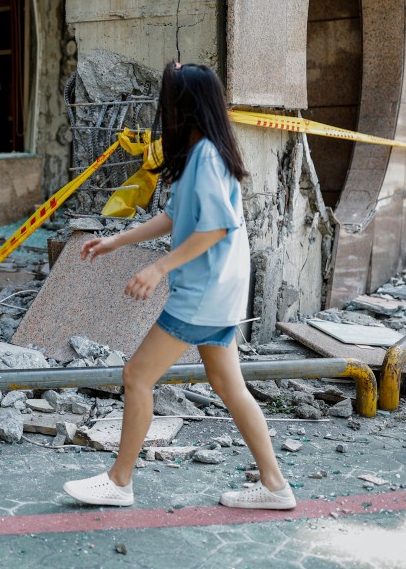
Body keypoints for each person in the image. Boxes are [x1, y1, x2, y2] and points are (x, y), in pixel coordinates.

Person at [62, 62, 296, 511]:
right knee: (229, 387)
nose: (161, 106)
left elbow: (214, 229)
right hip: (218, 293)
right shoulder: (201, 153)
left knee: (136, 375)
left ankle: (119, 481)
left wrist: (158, 269)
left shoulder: (206, 156)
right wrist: (116, 241)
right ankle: (274, 485)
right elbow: (175, 217)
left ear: (184, 107)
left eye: (168, 98)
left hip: (203, 293)